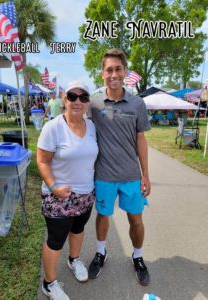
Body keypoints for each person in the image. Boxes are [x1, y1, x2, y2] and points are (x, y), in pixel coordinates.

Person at [88, 48, 151, 286]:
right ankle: (101, 252)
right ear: (102, 73)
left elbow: (141, 140)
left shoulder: (137, 104)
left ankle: (137, 257)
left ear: (124, 71)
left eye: (117, 69)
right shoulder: (93, 104)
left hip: (131, 177)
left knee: (136, 220)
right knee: (103, 215)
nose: (113, 74)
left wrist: (146, 175)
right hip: (103, 175)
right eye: (109, 70)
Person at [37, 81, 98, 300]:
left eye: (83, 97)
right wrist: (53, 187)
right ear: (64, 99)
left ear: (88, 102)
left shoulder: (91, 126)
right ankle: (49, 283)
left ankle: (74, 259)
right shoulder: (53, 127)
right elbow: (42, 161)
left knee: (78, 229)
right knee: (56, 239)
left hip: (85, 194)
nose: (77, 101)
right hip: (59, 196)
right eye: (72, 96)